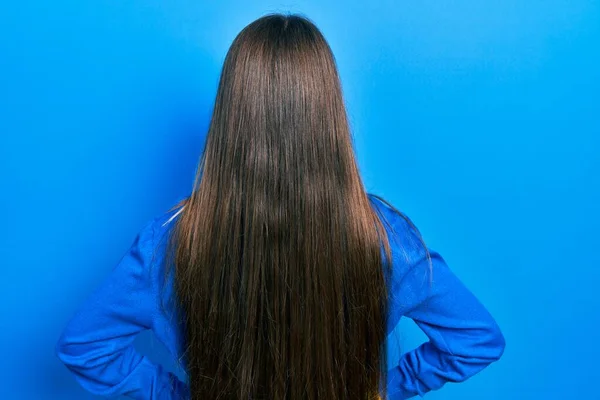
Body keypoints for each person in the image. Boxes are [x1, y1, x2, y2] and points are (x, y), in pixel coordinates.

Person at [55, 12, 505, 400]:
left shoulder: (171, 242)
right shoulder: (384, 237)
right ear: (328, 115)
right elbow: (476, 340)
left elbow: (84, 347)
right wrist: (383, 389)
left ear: (231, 115)